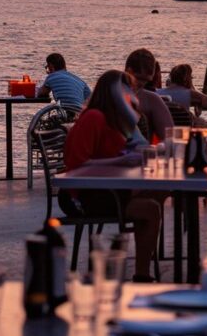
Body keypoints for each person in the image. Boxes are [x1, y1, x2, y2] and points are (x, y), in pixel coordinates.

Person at [61, 70, 162, 281]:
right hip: (82, 195)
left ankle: (120, 245)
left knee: (159, 191)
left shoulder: (114, 121)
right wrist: (121, 161)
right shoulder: (94, 118)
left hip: (105, 189)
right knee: (151, 209)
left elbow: (122, 151)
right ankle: (141, 274)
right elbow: (77, 164)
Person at [124, 49, 173, 144]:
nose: (142, 84)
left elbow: (170, 140)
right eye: (139, 79)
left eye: (146, 81)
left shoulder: (151, 100)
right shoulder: (106, 94)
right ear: (128, 71)